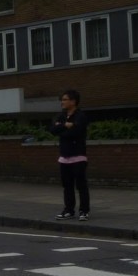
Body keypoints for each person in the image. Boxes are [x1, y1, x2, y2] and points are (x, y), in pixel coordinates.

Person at [49, 89, 90, 221]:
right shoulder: (61, 116)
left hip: (78, 156)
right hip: (64, 157)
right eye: (62, 99)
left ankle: (84, 211)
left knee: (81, 185)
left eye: (65, 99)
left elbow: (76, 132)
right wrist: (66, 126)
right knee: (67, 186)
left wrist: (62, 129)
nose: (62, 102)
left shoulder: (80, 116)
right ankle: (69, 210)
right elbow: (53, 130)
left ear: (73, 101)